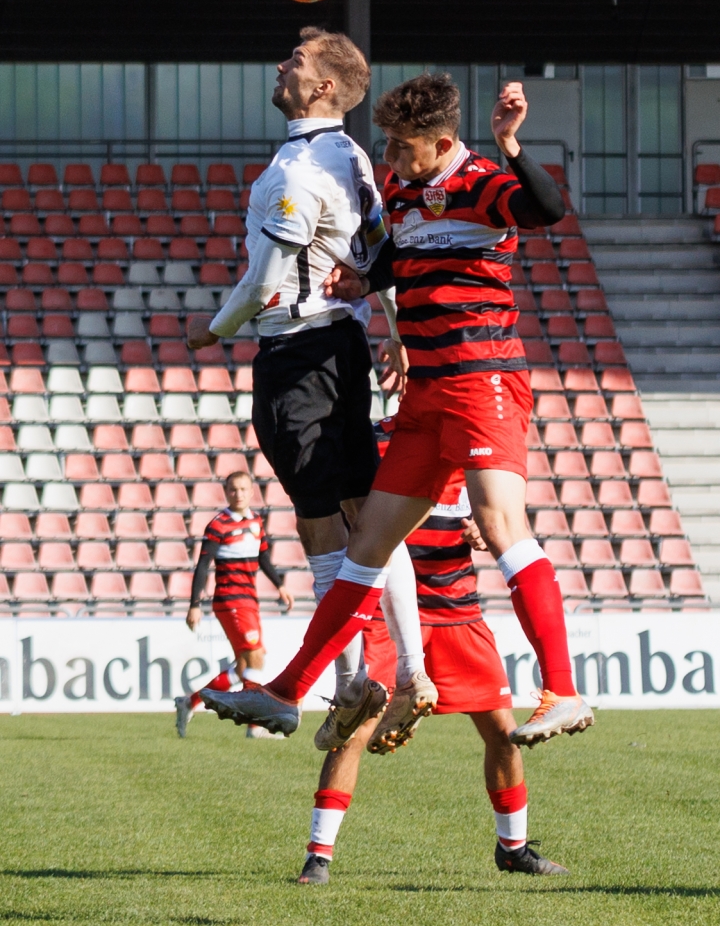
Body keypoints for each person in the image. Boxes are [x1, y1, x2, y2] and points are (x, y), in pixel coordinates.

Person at [201, 72, 594, 750]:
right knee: (367, 547)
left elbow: (546, 209)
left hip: (482, 381)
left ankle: (562, 689)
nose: (389, 158)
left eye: (400, 147)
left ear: (440, 143)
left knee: (501, 525)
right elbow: (402, 254)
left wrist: (510, 145)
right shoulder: (406, 192)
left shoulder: (482, 183)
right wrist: (364, 279)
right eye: (385, 145)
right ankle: (287, 691)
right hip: (426, 396)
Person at [189, 28, 435, 749]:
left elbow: (265, 280)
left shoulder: (296, 171)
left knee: (321, 526)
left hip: (298, 355)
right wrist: (397, 331)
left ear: (324, 86)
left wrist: (213, 330)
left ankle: (348, 686)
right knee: (369, 519)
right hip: (343, 347)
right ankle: (411, 669)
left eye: (295, 62)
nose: (281, 66)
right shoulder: (352, 156)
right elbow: (380, 250)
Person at [298, 436, 568, 883]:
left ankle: (513, 850)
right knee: (355, 729)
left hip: (457, 609)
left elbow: (502, 517)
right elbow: (352, 518)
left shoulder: (469, 448)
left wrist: (481, 528)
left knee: (503, 733)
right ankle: (318, 856)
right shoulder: (373, 440)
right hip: (389, 613)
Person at [174, 470, 294, 738]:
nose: (237, 494)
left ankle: (189, 702)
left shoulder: (256, 521)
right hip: (230, 600)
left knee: (243, 666)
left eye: (242, 489)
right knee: (255, 656)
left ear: (251, 492)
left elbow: (263, 557)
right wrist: (195, 604)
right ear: (226, 492)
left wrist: (280, 585)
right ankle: (255, 724)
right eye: (232, 489)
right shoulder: (218, 525)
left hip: (250, 599)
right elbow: (203, 565)